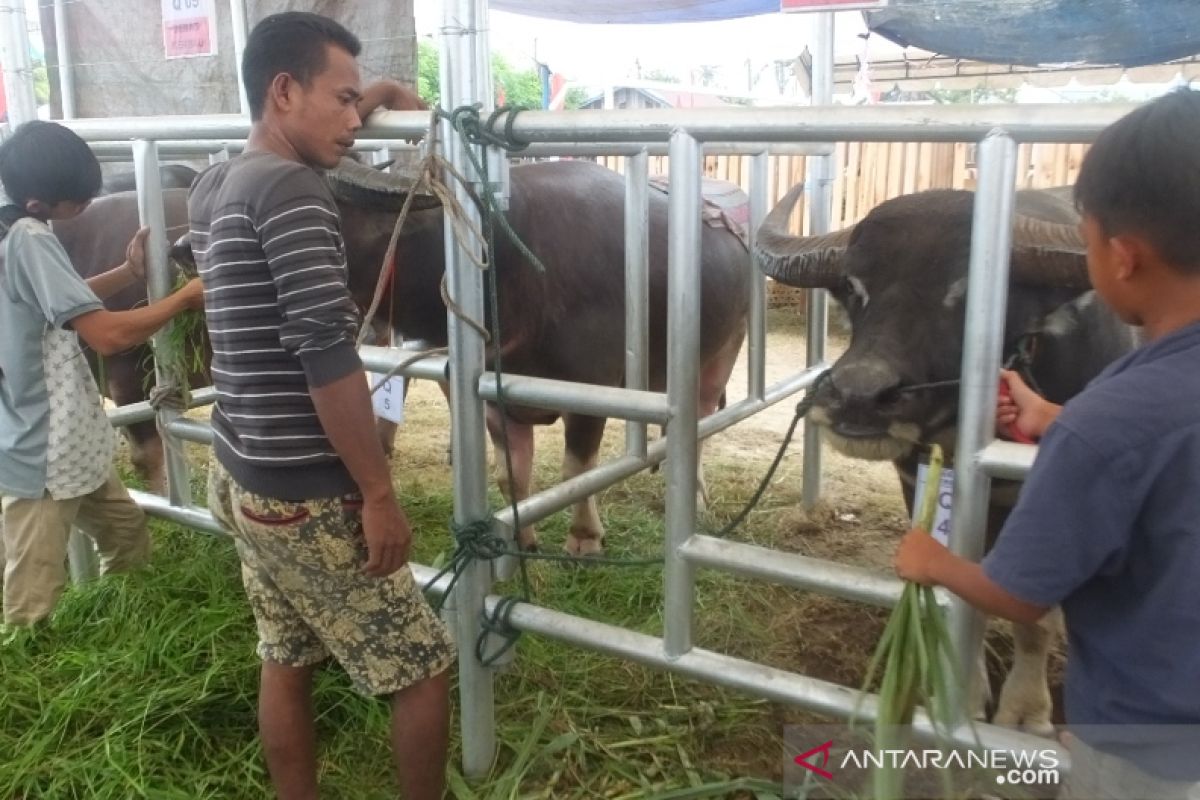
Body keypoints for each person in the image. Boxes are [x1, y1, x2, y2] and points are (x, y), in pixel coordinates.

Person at [895, 89, 1200, 799]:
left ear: (1120, 257)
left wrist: (934, 560)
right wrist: (1055, 416)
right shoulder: (1119, 415)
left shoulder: (1113, 418)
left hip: (1148, 736)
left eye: (1085, 238)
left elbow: (1019, 595)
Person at [188, 12, 453, 800]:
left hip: (241, 470)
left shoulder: (221, 182)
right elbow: (327, 354)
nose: (353, 120)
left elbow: (282, 335)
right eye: (339, 101)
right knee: (423, 669)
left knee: (286, 653)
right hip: (305, 492)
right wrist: (377, 493)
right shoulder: (296, 192)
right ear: (282, 91)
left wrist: (368, 92)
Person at [0, 120, 204, 632]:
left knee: (128, 538)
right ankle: (28, 689)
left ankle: (125, 632)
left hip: (74, 442)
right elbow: (108, 336)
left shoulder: (16, 231)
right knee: (30, 600)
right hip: (40, 450)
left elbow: (60, 300)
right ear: (38, 204)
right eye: (78, 200)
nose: (87, 206)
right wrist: (183, 298)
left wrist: (130, 274)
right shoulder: (29, 240)